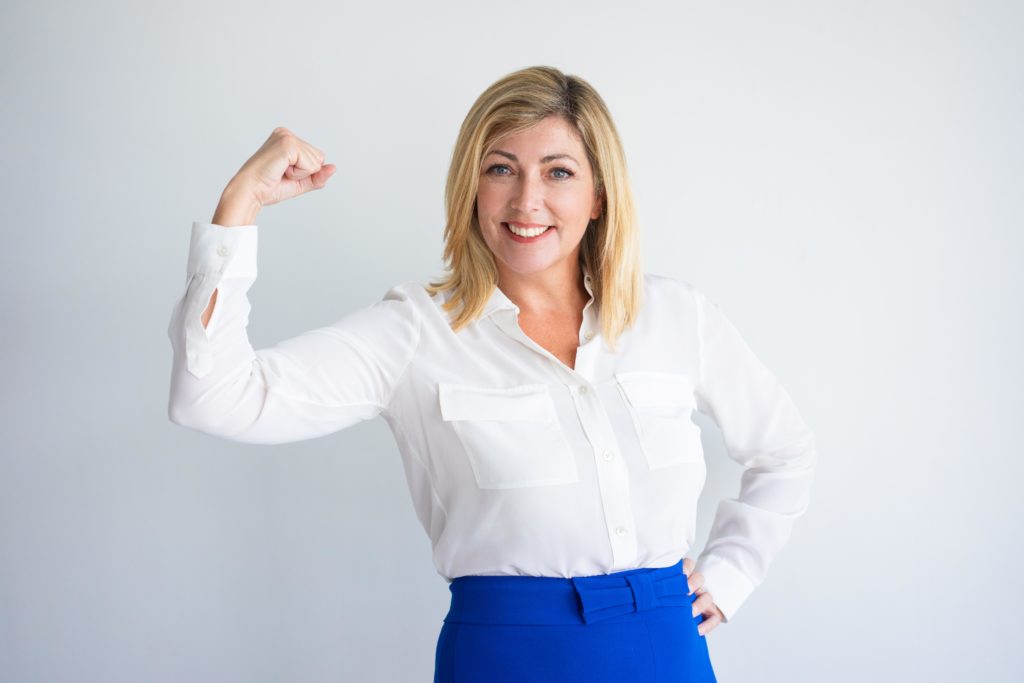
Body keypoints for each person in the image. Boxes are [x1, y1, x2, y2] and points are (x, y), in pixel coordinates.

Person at [167, 65, 817, 682]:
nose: (526, 199)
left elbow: (786, 450)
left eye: (558, 172)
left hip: (667, 646)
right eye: (501, 168)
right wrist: (240, 202)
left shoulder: (675, 317)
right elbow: (215, 398)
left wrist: (730, 573)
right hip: (508, 654)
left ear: (598, 197)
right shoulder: (416, 331)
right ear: (471, 188)